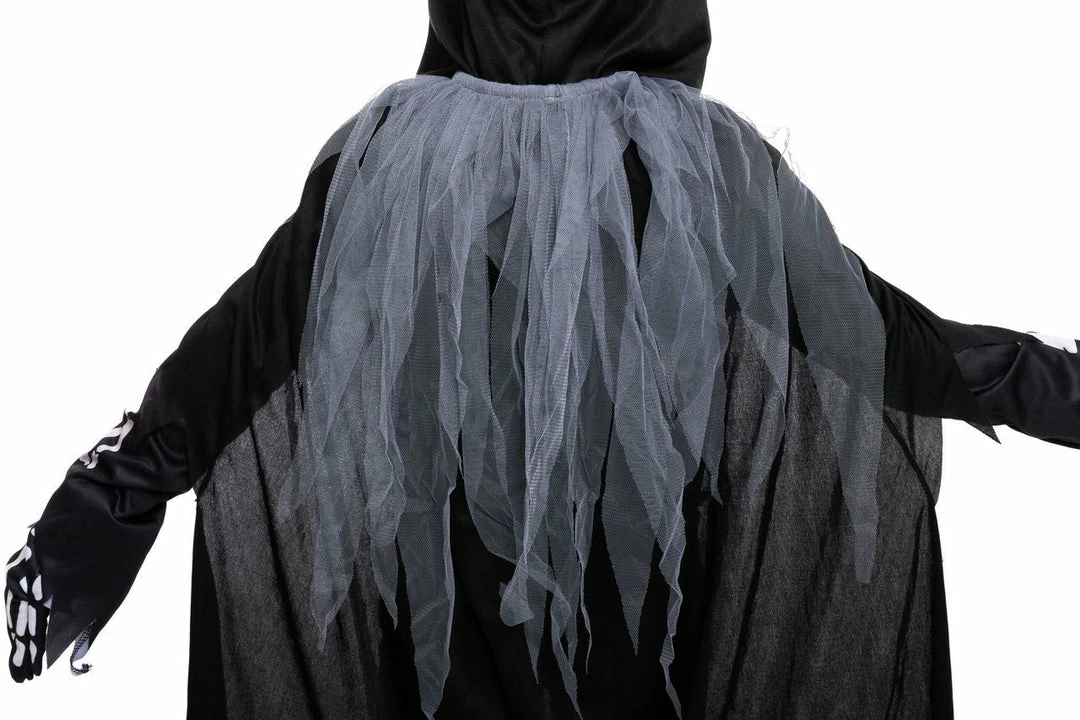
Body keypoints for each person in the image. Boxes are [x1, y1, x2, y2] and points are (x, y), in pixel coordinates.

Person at [7, 1, 1080, 718]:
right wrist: (1056, 386)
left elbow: (235, 354)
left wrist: (95, 518)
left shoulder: (394, 166)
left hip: (453, 616)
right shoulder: (705, 174)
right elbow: (879, 337)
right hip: (639, 622)